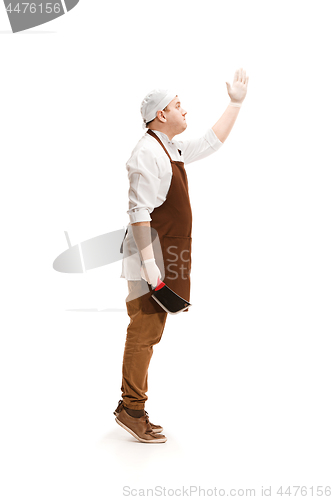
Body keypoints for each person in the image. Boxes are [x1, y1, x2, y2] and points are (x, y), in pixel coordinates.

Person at [114, 68, 249, 443]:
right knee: (144, 331)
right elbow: (139, 213)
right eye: (177, 106)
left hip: (164, 250)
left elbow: (210, 142)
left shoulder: (167, 147)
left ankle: (131, 405)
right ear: (161, 115)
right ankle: (132, 409)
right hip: (148, 254)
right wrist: (151, 269)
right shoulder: (145, 153)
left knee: (150, 331)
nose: (184, 111)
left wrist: (235, 104)